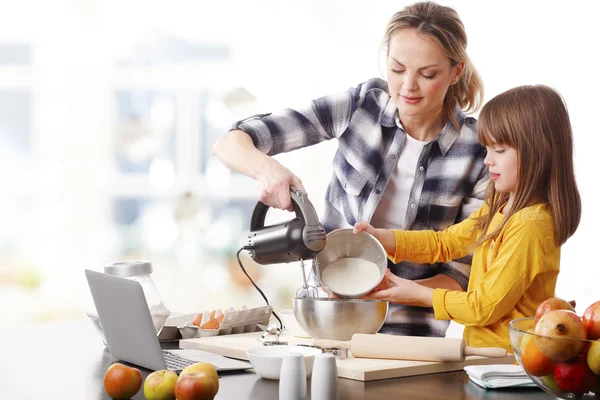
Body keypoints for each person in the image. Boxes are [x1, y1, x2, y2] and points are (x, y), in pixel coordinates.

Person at [212, 1, 488, 337]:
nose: (407, 87)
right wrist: (266, 169)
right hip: (329, 320)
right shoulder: (362, 105)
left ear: (455, 72)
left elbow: (461, 276)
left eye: (427, 74)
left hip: (410, 338)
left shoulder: (480, 152)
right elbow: (230, 143)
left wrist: (393, 289)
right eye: (398, 69)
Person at [353, 85, 582, 352]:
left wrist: (418, 294)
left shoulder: (531, 225)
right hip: (486, 358)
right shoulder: (500, 208)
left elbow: (483, 307)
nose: (487, 161)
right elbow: (446, 243)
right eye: (487, 149)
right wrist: (384, 238)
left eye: (499, 150)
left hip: (510, 364)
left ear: (538, 153)